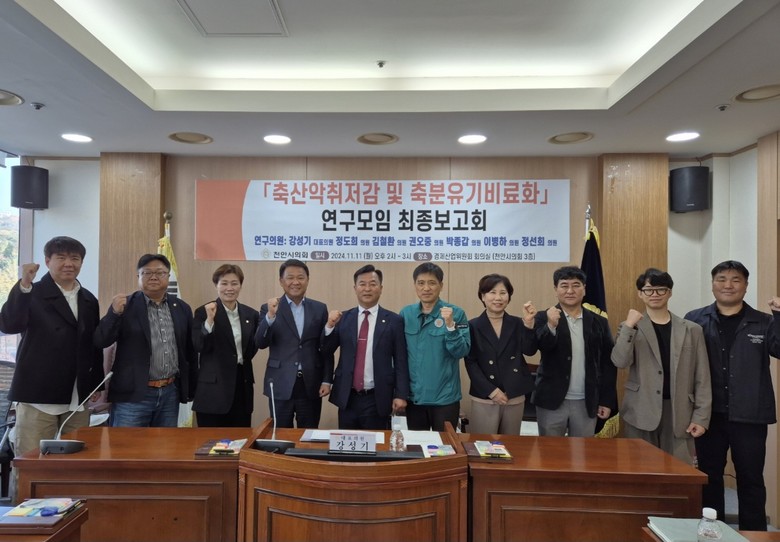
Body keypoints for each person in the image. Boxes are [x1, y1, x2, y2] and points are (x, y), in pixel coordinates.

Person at [0, 236, 104, 499]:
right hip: (38, 395)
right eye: (61, 258)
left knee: (75, 465)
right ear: (47, 261)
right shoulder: (31, 292)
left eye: (75, 258)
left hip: (76, 397)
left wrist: (95, 384)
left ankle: (68, 515)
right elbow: (9, 324)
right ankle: (24, 518)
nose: (69, 263)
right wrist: (24, 284)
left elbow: (93, 345)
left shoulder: (88, 299)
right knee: (31, 464)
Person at [684, 260, 780, 531]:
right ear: (713, 284)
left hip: (750, 415)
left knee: (751, 479)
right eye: (722, 279)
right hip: (707, 415)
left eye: (736, 280)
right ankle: (712, 532)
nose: (728, 285)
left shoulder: (764, 321)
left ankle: (754, 534)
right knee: (709, 478)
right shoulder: (695, 319)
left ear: (746, 286)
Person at [611, 268, 711, 464]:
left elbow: (702, 377)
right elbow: (620, 361)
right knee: (640, 469)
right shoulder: (629, 327)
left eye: (660, 289)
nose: (654, 294)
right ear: (640, 294)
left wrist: (701, 417)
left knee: (677, 470)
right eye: (648, 290)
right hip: (640, 410)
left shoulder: (692, 330)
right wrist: (629, 326)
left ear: (670, 292)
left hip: (679, 411)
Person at [94, 254, 196, 427]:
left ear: (168, 276)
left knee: (165, 444)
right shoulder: (125, 306)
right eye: (147, 272)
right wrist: (114, 314)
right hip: (133, 396)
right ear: (138, 277)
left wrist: (190, 388)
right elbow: (101, 340)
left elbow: (189, 351)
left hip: (170, 393)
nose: (154, 277)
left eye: (160, 273)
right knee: (127, 444)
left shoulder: (182, 308)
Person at [532, 265, 616, 437]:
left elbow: (607, 362)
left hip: (587, 401)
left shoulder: (599, 322)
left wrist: (606, 400)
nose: (570, 291)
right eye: (564, 286)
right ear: (556, 289)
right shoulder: (543, 317)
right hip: (551, 400)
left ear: (584, 289)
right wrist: (551, 325)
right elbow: (539, 346)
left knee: (582, 451)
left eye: (576, 285)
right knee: (550, 451)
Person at [323, 264, 409, 430]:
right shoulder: (343, 318)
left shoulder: (394, 321)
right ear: (355, 288)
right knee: (347, 443)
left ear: (381, 288)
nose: (367, 288)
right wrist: (329, 326)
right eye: (362, 284)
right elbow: (326, 350)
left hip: (378, 396)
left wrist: (401, 394)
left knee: (377, 442)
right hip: (348, 396)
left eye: (372, 284)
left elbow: (401, 360)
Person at [255, 259, 332, 428]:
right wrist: (270, 317)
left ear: (308, 280)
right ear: (281, 281)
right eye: (290, 277)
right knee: (280, 434)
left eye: (300, 277)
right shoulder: (269, 308)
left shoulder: (319, 309)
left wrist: (327, 380)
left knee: (309, 434)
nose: (295, 282)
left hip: (311, 383)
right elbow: (260, 342)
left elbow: (325, 347)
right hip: (280, 382)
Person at [399, 262, 470, 431]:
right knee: (417, 445)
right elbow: (399, 355)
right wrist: (399, 392)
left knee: (445, 445)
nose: (426, 288)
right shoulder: (406, 314)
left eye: (432, 283)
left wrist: (450, 325)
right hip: (414, 397)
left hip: (445, 398)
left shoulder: (456, 313)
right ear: (415, 285)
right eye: (421, 283)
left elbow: (462, 351)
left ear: (441, 285)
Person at [465, 274, 538, 435]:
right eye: (492, 292)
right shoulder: (472, 325)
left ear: (509, 297)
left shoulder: (518, 323)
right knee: (483, 444)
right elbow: (471, 363)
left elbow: (529, 350)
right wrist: (492, 391)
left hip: (514, 394)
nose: (498, 298)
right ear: (483, 296)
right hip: (485, 395)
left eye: (503, 293)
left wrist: (529, 324)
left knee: (511, 444)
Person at [192, 264, 259, 427]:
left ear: (240, 285)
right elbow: (199, 345)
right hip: (214, 388)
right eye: (224, 283)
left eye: (234, 283)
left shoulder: (251, 314)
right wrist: (209, 321)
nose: (229, 288)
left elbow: (251, 349)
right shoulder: (203, 312)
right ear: (216, 285)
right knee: (211, 440)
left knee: (240, 438)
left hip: (242, 385)